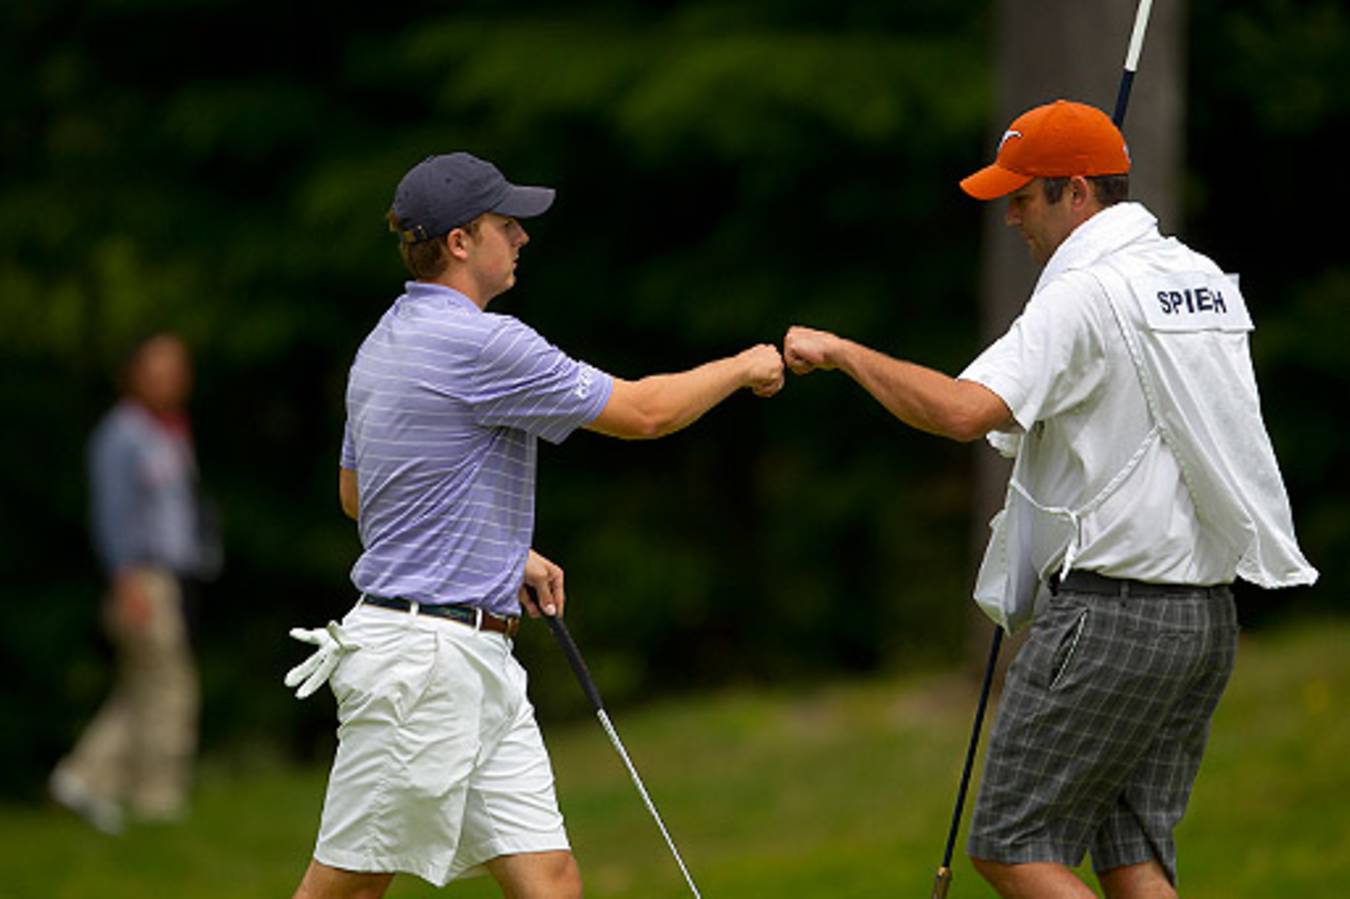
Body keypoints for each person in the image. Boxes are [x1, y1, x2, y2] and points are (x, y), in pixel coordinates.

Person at [783, 99, 1316, 898]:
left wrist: (843, 353)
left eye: (1023, 197)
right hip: (1203, 618)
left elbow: (967, 410)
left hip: (1112, 614)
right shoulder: (1198, 278)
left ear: (1076, 191)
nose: (1010, 218)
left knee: (1013, 843)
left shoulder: (1084, 292)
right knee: (1132, 855)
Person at [287, 151, 784, 899]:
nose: (521, 239)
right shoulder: (485, 342)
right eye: (506, 224)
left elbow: (361, 496)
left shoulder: (380, 344)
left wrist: (497, 550)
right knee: (348, 887)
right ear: (460, 241)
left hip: (472, 661)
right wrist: (744, 367)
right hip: (425, 666)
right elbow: (644, 412)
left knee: (551, 880)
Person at [50, 333, 219, 834]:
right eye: (159, 369)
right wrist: (126, 580)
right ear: (134, 375)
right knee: (170, 689)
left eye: (178, 368)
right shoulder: (121, 435)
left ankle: (82, 779)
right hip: (141, 578)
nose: (172, 379)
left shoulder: (167, 430)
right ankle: (157, 799)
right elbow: (114, 512)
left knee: (142, 688)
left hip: (170, 577)